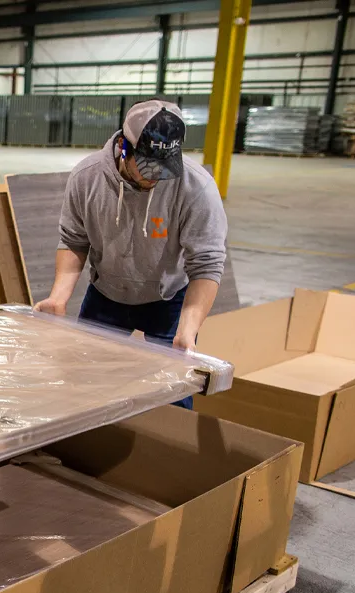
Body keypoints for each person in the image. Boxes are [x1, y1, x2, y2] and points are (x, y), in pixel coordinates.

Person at [34, 99, 228, 409]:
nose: (156, 178)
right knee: (87, 382)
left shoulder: (195, 187)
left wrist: (188, 331)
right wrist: (58, 298)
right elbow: (74, 240)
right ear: (124, 147)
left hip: (167, 299)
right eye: (149, 166)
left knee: (174, 391)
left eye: (165, 169)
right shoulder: (87, 177)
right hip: (106, 294)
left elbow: (207, 264)